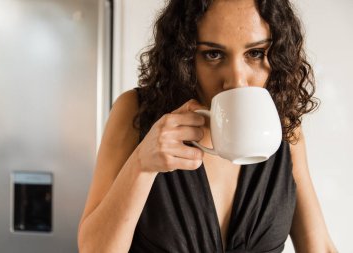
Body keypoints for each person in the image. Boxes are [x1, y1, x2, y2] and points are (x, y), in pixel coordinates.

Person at [78, 0, 337, 252]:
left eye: (256, 53)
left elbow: (320, 247)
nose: (237, 80)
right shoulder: (135, 111)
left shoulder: (286, 129)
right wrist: (141, 166)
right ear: (185, 57)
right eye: (213, 54)